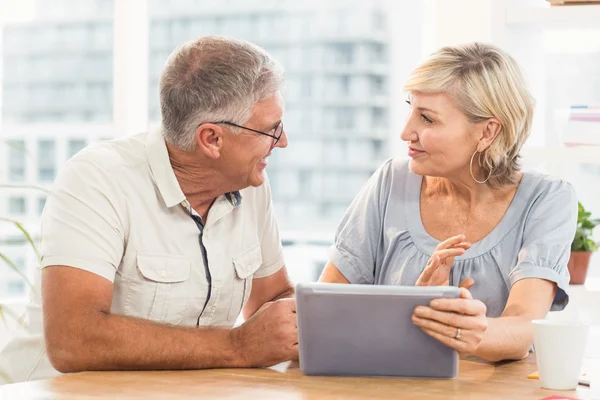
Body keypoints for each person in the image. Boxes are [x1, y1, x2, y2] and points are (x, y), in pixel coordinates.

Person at [0, 35, 297, 382]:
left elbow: (272, 299)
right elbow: (73, 340)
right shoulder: (98, 180)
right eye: (270, 129)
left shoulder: (249, 185)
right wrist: (238, 346)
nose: (283, 141)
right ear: (211, 139)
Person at [319, 42, 577, 362]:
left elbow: (524, 327)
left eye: (426, 119)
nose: (405, 132)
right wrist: (412, 307)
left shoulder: (546, 199)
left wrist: (467, 327)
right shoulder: (390, 182)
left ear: (487, 132)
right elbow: (327, 309)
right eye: (410, 109)